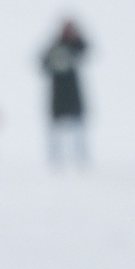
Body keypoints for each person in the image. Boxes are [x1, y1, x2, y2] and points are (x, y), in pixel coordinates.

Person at [39, 18, 90, 166]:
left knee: (78, 126)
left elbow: (85, 49)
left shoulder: (75, 45)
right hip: (58, 92)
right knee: (55, 128)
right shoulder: (55, 45)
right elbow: (43, 61)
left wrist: (76, 38)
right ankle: (55, 158)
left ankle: (81, 157)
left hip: (73, 91)